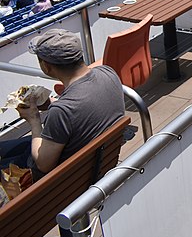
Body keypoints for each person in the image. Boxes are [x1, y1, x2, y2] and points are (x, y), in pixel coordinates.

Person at [0, 29, 124, 179]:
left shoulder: (61, 111)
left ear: (46, 66)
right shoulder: (108, 73)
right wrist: (51, 103)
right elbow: (82, 108)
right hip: (92, 163)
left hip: (52, 181)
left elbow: (43, 164)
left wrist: (34, 120)